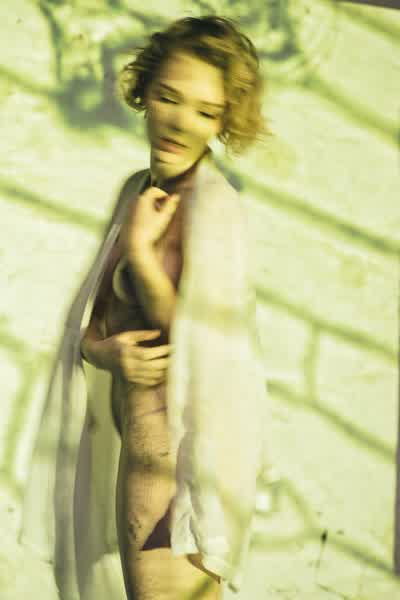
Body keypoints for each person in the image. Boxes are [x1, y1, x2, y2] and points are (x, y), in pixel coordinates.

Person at [19, 15, 273, 600]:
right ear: (144, 91)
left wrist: (139, 250)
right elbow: (92, 325)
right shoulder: (137, 190)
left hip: (180, 468)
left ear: (224, 122)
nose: (181, 122)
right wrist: (106, 353)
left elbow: (203, 347)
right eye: (169, 97)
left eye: (205, 112)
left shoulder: (214, 208)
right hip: (134, 452)